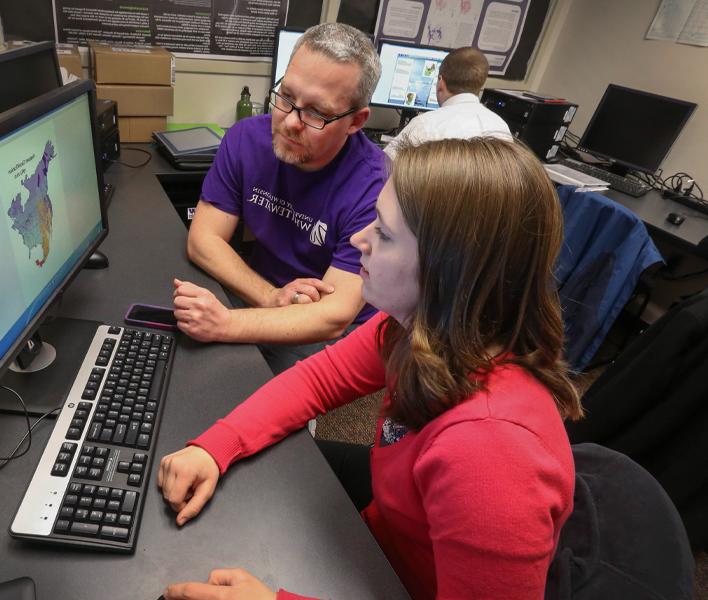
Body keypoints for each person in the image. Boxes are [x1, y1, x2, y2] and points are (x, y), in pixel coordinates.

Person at [158, 137, 584, 600]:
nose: (359, 240)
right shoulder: (417, 326)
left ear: (446, 269)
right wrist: (216, 446)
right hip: (379, 546)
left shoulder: (491, 455)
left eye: (382, 232)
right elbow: (318, 380)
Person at [173, 22, 387, 375]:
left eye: (316, 112)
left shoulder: (375, 188)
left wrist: (227, 324)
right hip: (263, 292)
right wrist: (270, 297)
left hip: (330, 328)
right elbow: (202, 239)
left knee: (239, 388)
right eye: (286, 97)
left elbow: (333, 315)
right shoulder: (246, 139)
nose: (290, 122)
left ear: (355, 122)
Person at [383, 47, 512, 159]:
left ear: (441, 82)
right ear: (480, 84)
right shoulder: (501, 129)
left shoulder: (425, 125)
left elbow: (384, 168)